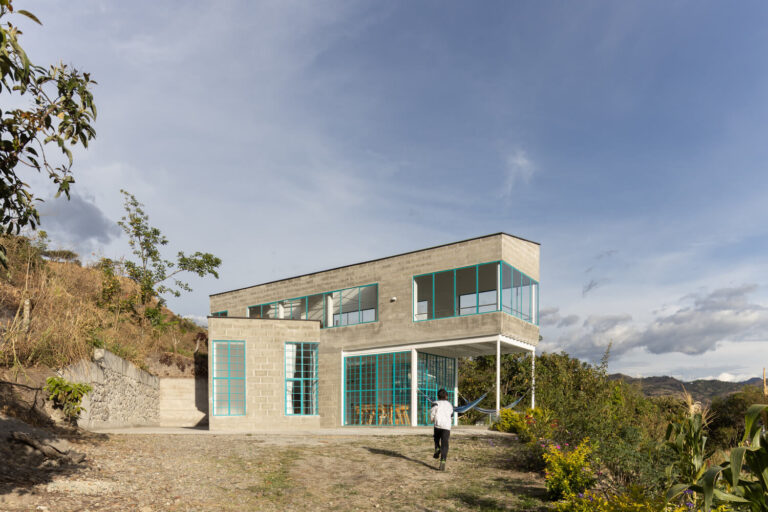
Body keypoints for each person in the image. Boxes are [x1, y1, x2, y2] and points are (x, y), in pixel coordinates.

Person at [429, 388, 454, 471]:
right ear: (446, 396)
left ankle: (437, 448)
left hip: (438, 425)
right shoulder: (450, 405)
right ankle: (443, 460)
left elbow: (432, 413)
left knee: (436, 439)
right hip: (446, 427)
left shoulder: (435, 403)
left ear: (437, 396)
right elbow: (451, 416)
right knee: (445, 444)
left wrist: (432, 419)